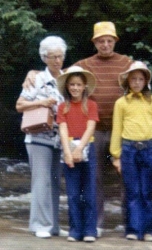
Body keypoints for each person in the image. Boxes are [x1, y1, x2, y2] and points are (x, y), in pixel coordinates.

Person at [22, 22, 132, 237]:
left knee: (125, 176)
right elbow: (62, 76)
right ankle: (94, 225)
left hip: (121, 129)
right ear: (95, 43)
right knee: (93, 180)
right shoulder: (83, 65)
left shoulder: (127, 63)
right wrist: (32, 72)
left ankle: (131, 225)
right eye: (101, 41)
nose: (106, 44)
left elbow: (142, 78)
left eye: (109, 40)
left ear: (115, 42)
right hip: (90, 133)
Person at [16, 36, 69, 238]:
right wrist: (42, 102)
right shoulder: (36, 79)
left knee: (55, 181)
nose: (57, 60)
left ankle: (53, 225)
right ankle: (40, 225)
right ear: (45, 58)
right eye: (53, 57)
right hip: (38, 135)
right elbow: (20, 105)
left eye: (60, 56)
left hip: (60, 137)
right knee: (41, 181)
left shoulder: (66, 78)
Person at [110, 61, 152, 241]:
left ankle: (149, 230)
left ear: (145, 81)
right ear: (127, 81)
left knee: (147, 192)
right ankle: (133, 229)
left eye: (140, 79)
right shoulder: (121, 103)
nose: (136, 82)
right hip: (128, 149)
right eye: (133, 79)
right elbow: (117, 128)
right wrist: (116, 155)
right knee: (132, 191)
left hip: (149, 148)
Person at [56, 66, 99, 242]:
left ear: (84, 87)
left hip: (87, 145)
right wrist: (68, 152)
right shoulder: (62, 107)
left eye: (78, 85)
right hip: (68, 146)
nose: (75, 88)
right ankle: (75, 230)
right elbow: (63, 129)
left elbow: (91, 127)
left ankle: (90, 230)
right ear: (67, 87)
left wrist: (80, 148)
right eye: (71, 85)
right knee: (73, 194)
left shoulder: (91, 105)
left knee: (89, 192)